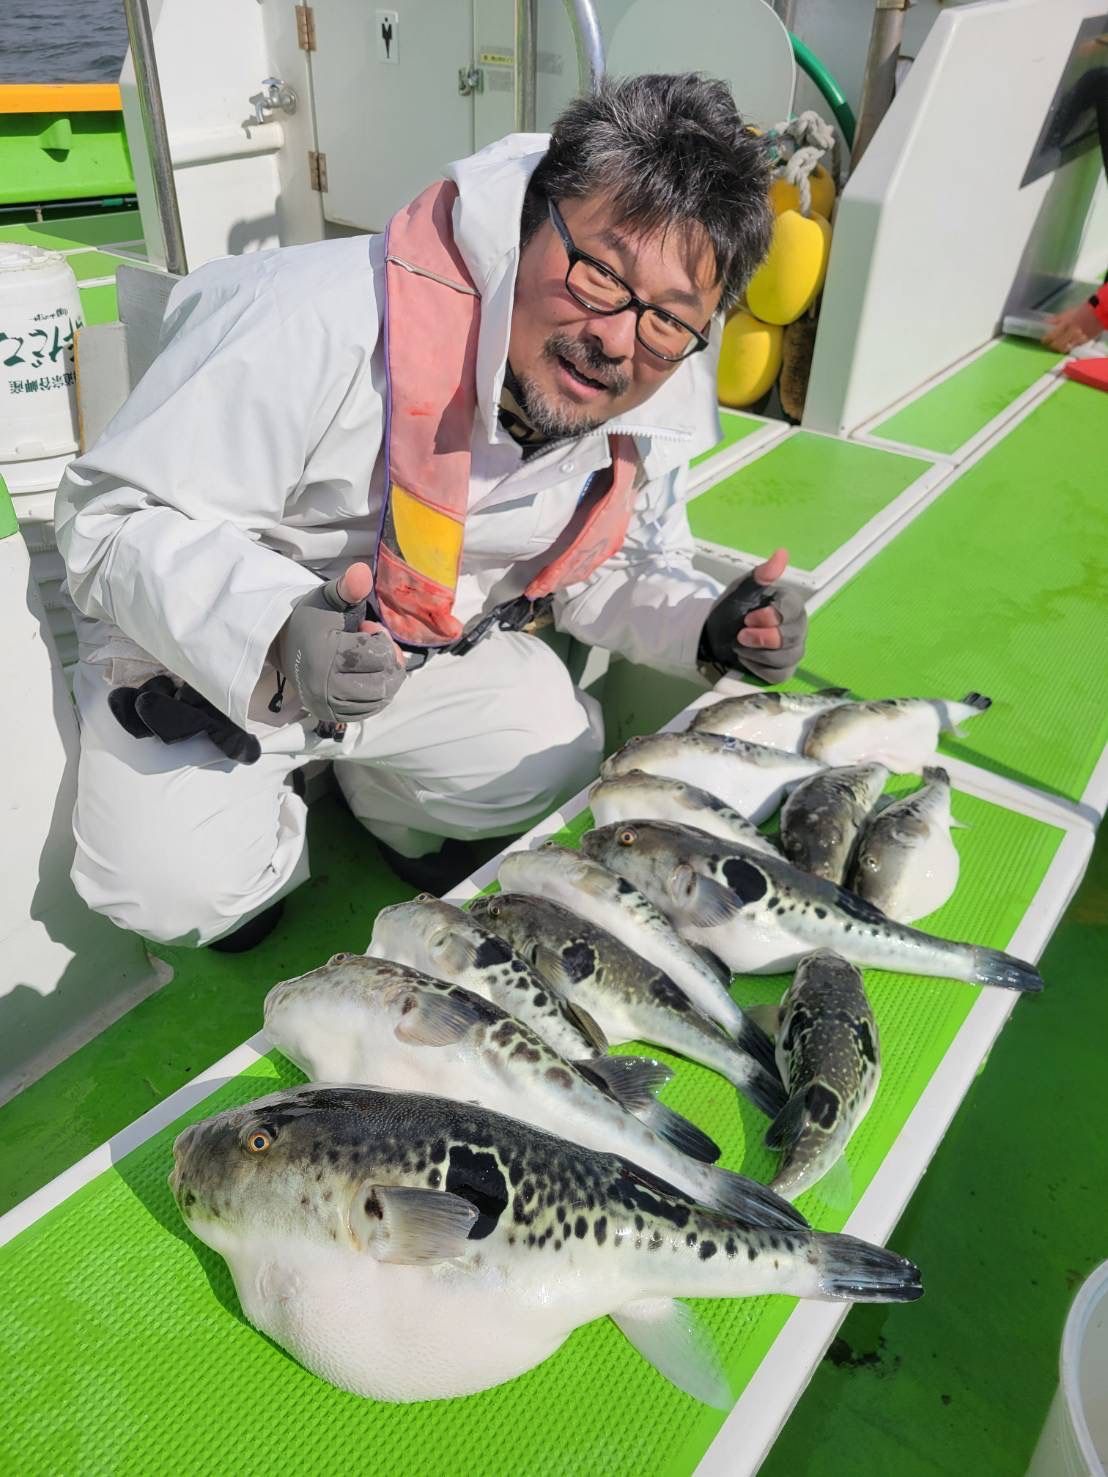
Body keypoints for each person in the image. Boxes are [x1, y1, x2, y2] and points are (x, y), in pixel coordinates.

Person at [55, 73, 808, 950]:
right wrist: (274, 630)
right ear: (531, 221)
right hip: (212, 663)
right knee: (170, 887)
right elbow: (111, 517)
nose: (615, 338)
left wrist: (709, 621)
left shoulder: (655, 385)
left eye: (669, 319)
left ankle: (384, 801)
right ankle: (258, 857)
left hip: (418, 651)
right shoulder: (309, 315)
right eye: (601, 273)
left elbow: (602, 568)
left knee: (553, 754)